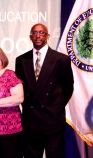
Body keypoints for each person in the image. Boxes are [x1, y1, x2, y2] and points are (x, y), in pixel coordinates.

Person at [15, 23, 74, 158]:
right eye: (35, 33)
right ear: (30, 36)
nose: (38, 35)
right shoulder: (21, 60)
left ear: (48, 36)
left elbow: (68, 88)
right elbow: (21, 90)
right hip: (30, 121)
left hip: (52, 119)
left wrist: (55, 106)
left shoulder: (61, 60)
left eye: (41, 32)